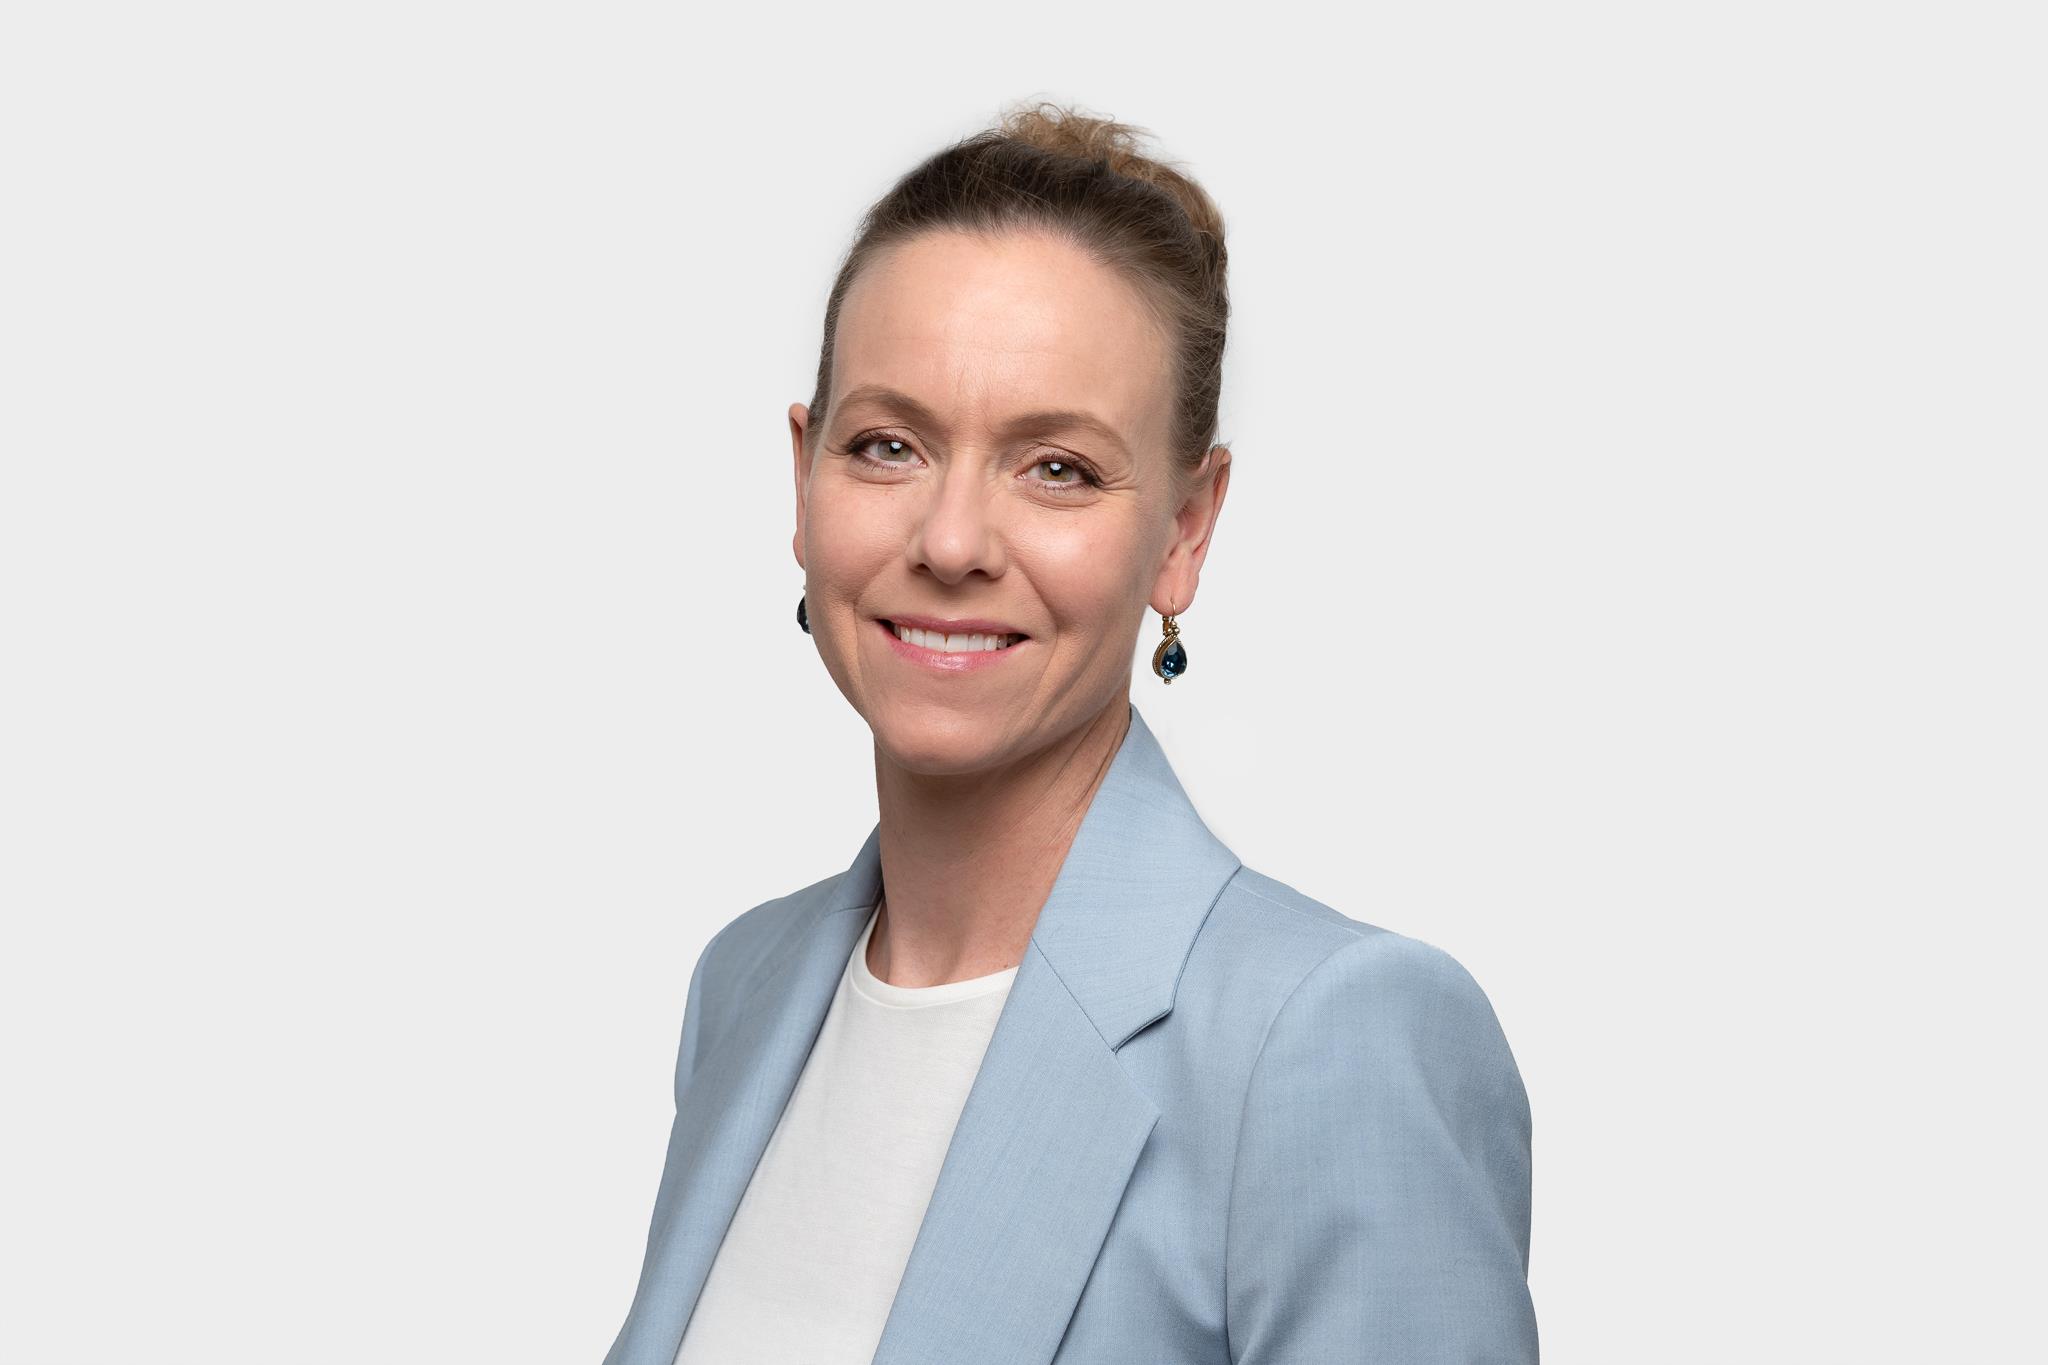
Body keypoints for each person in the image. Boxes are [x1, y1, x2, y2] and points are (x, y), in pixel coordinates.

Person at [600, 101, 1537, 1365]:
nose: (949, 542)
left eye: (1057, 469)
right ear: (804, 479)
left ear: (1185, 531)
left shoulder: (1325, 1039)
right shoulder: (745, 988)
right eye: (886, 446)